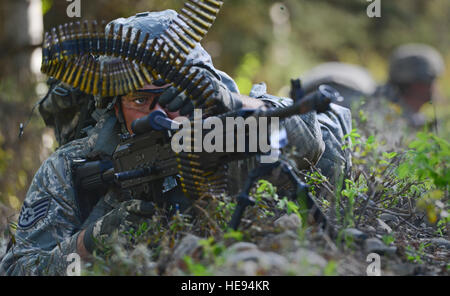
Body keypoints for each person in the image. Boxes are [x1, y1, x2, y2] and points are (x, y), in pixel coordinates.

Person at [0, 10, 351, 275]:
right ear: (114, 105)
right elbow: (17, 268)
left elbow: (307, 145)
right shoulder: (72, 166)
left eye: (176, 97)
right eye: (140, 100)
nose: (160, 114)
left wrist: (237, 104)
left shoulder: (226, 133)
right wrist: (90, 242)